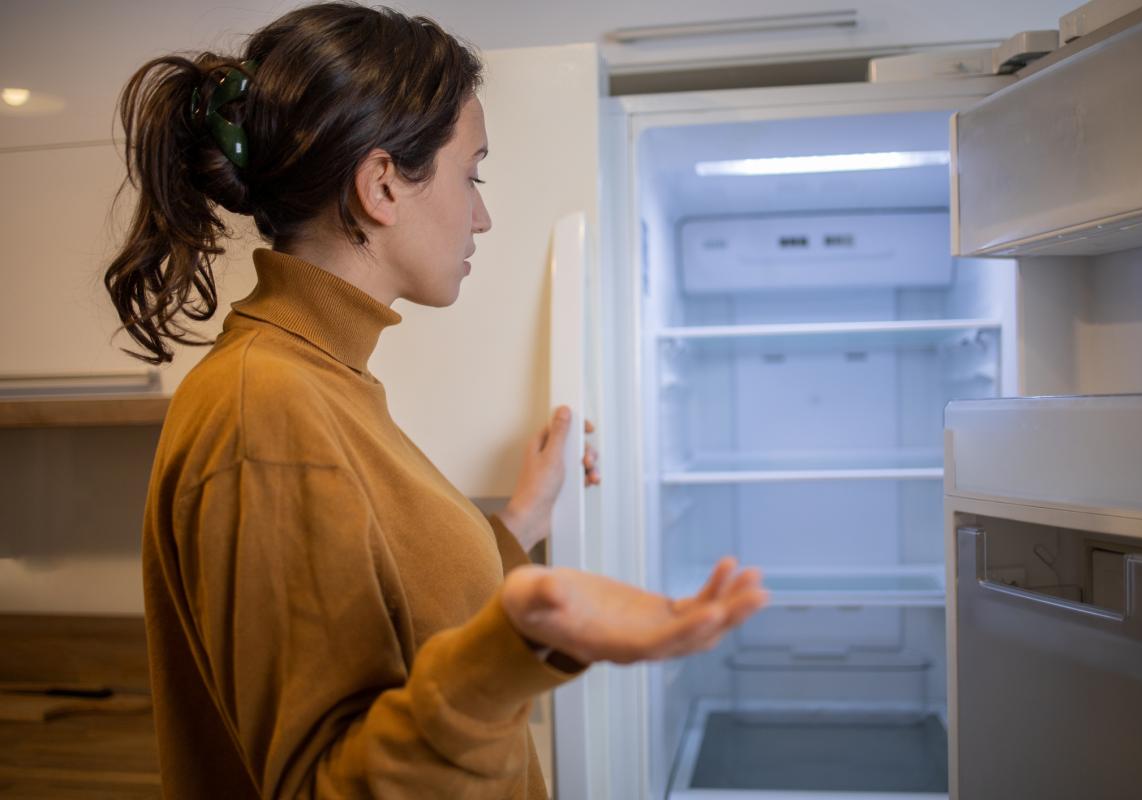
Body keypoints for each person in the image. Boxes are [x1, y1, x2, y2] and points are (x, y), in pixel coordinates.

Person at [103, 3, 767, 797]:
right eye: (471, 173)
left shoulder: (322, 379)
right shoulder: (265, 407)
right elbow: (327, 786)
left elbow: (410, 614)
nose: (482, 215)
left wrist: (524, 519)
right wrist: (511, 653)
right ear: (382, 184)